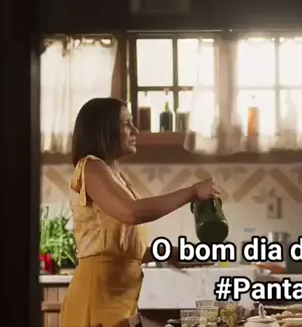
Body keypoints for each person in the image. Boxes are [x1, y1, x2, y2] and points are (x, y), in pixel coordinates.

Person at [60, 97, 220, 327]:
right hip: (97, 299)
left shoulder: (115, 175)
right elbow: (133, 213)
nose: (135, 130)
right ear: (104, 129)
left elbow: (117, 245)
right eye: (127, 124)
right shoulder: (91, 167)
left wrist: (166, 253)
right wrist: (193, 192)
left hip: (119, 299)